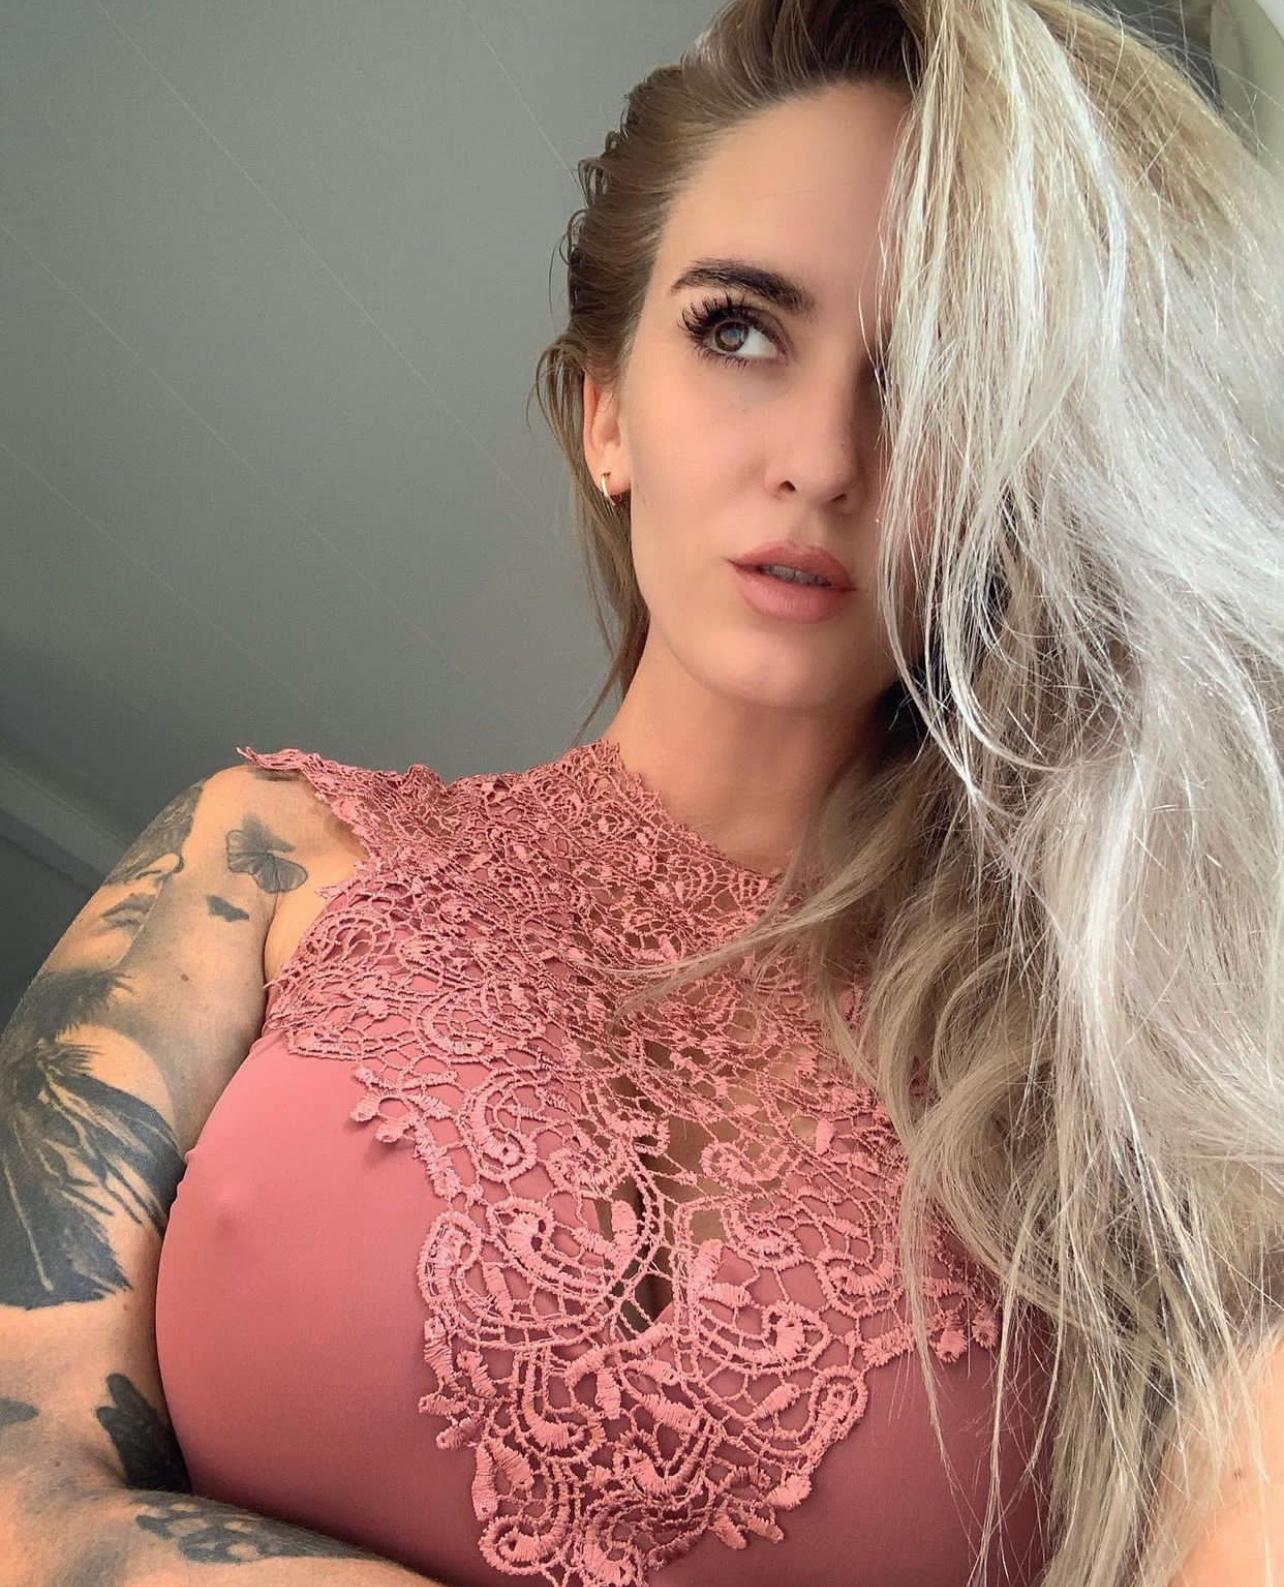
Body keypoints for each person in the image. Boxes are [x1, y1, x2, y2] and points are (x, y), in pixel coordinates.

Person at [4, 1, 1283, 1585]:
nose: (824, 456)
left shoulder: (1133, 1092)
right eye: (739, 330)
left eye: (939, 376)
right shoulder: (261, 861)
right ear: (607, 414)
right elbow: (18, 1488)